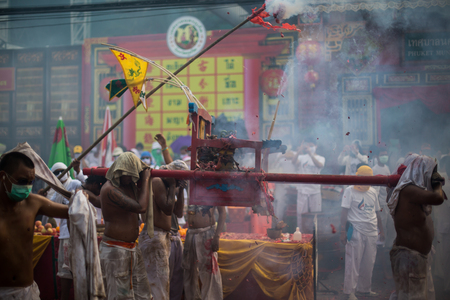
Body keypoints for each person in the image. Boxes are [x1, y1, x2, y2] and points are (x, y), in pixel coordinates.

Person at [0, 152, 69, 299]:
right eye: (22, 181)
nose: (27, 187)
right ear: (2, 176)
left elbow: (73, 212)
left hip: (26, 292)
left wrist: (82, 198)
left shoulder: (34, 203)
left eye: (31, 182)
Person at [387, 154, 445, 300]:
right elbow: (438, 198)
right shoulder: (408, 189)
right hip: (409, 258)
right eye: (431, 172)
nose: (432, 176)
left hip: (415, 257)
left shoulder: (411, 189)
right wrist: (437, 183)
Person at [99, 152, 152, 299]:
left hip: (132, 249)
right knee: (119, 296)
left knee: (143, 295)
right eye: (131, 174)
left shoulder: (129, 186)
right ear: (120, 172)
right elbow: (141, 207)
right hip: (115, 250)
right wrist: (146, 179)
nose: (133, 178)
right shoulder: (110, 189)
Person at [139, 160, 188, 300]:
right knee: (156, 285)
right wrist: (173, 186)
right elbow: (167, 209)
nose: (180, 183)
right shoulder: (158, 182)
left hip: (162, 236)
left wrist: (181, 190)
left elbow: (178, 213)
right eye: (179, 179)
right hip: (154, 235)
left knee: (163, 282)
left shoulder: (168, 186)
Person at [340, 165, 385, 300]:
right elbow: (344, 212)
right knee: (353, 263)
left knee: (368, 262)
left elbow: (377, 212)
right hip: (356, 231)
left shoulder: (372, 192)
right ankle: (350, 292)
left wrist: (381, 230)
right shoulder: (350, 190)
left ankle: (364, 289)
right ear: (358, 177)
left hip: (371, 231)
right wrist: (342, 230)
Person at [49, 162, 83, 300]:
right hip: (64, 235)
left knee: (80, 272)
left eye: (62, 171)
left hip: (78, 233)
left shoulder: (74, 183)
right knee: (65, 273)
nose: (59, 175)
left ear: (67, 171)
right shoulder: (56, 189)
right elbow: (49, 206)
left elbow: (86, 183)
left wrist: (78, 170)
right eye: (56, 173)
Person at [183, 204, 226, 299]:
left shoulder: (215, 188)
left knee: (209, 272)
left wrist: (217, 236)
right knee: (189, 271)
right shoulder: (191, 188)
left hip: (207, 233)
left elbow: (222, 212)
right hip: (191, 233)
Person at [292, 137, 325, 230]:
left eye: (312, 146)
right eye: (308, 146)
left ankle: (315, 236)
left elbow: (320, 165)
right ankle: (301, 235)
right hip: (302, 189)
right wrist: (299, 150)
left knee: (316, 214)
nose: (310, 148)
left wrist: (311, 154)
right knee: (300, 214)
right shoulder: (302, 157)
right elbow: (293, 162)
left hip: (315, 190)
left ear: (316, 146)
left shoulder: (321, 158)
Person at [372, 148, 394, 279]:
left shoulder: (387, 168)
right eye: (382, 154)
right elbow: (374, 191)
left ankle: (386, 263)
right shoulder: (374, 169)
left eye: (386, 154)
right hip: (379, 206)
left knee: (389, 231)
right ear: (377, 156)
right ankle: (382, 268)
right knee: (381, 233)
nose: (384, 156)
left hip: (387, 204)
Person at [434, 157, 450, 295]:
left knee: (446, 258)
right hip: (446, 228)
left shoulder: (443, 185)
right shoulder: (447, 186)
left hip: (444, 227)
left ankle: (447, 286)